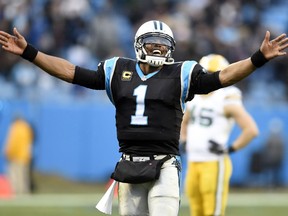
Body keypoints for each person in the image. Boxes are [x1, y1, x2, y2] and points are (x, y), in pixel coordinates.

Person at [0, 20, 287, 216]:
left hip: (163, 166)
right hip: (129, 167)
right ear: (139, 45)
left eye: (164, 44)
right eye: (153, 43)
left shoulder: (182, 72)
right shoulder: (117, 69)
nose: (159, 48)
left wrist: (257, 58)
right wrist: (30, 52)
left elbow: (223, 77)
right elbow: (71, 72)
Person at [180, 54, 259, 216]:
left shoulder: (226, 97)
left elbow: (251, 130)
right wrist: (184, 139)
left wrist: (229, 149)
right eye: (204, 72)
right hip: (193, 161)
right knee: (196, 210)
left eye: (211, 72)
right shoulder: (193, 96)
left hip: (214, 162)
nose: (207, 77)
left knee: (212, 212)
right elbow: (184, 121)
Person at [3, 115, 34, 195]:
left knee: (14, 175)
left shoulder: (15, 127)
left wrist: (8, 152)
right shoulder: (26, 128)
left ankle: (16, 192)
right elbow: (30, 143)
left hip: (15, 156)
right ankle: (24, 192)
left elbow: (12, 142)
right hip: (25, 156)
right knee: (24, 176)